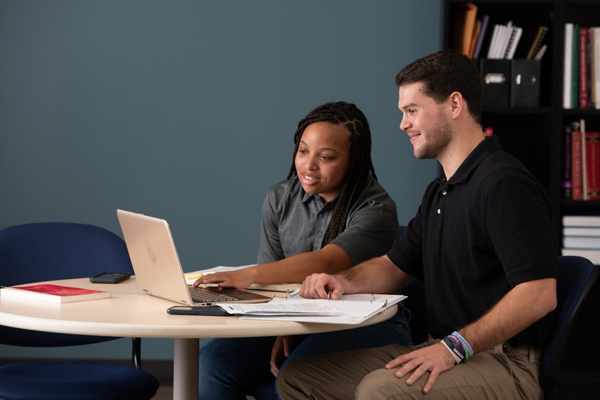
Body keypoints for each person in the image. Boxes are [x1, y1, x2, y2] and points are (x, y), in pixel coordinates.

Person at [277, 51, 558, 400]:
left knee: (380, 390)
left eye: (412, 110)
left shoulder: (503, 184)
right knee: (300, 378)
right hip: (442, 349)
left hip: (505, 364)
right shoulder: (440, 191)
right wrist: (341, 281)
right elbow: (391, 266)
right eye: (402, 113)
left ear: (454, 104)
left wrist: (454, 347)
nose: (403, 124)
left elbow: (539, 294)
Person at [195, 101, 412, 400]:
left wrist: (245, 276)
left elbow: (327, 261)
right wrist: (281, 325)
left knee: (295, 374)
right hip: (296, 318)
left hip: (364, 325)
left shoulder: (376, 208)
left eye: (326, 157)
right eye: (303, 151)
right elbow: (272, 285)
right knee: (211, 363)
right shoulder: (280, 198)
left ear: (354, 160)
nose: (309, 165)